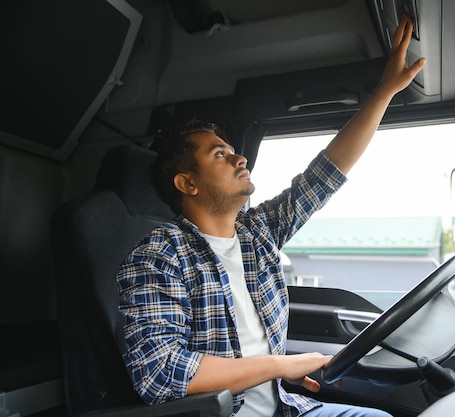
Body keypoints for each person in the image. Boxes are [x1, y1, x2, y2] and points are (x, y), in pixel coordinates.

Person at [116, 15, 426, 417]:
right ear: (187, 184)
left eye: (232, 149)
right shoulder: (158, 256)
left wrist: (384, 91)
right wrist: (282, 365)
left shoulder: (255, 233)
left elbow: (325, 175)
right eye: (220, 155)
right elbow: (159, 373)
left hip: (286, 408)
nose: (239, 157)